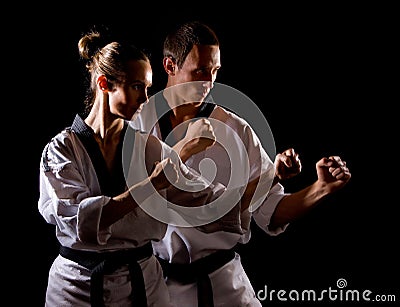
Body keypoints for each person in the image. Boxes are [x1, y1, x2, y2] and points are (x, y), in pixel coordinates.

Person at [131, 21, 352, 307]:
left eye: (215, 71)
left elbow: (270, 212)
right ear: (170, 65)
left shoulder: (236, 129)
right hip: (157, 287)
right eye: (199, 71)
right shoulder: (136, 124)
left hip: (225, 286)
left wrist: (321, 188)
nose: (209, 82)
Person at [37, 28, 253, 307]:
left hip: (143, 284)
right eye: (137, 87)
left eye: (148, 88)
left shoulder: (146, 147)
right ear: (104, 84)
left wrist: (256, 187)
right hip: (77, 287)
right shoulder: (61, 150)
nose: (146, 98)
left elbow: (203, 195)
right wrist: (150, 186)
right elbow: (77, 220)